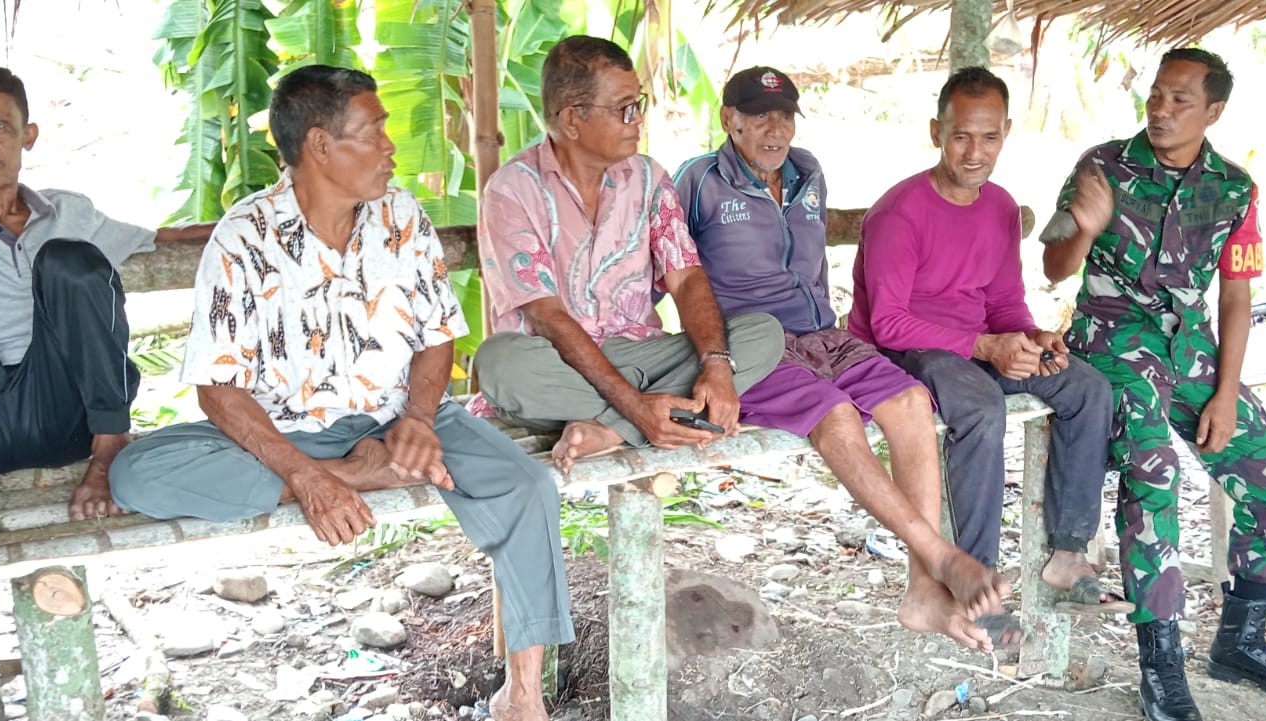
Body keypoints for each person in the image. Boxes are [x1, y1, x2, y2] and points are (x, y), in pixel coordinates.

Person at [106, 65, 572, 721]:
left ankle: (523, 697)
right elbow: (218, 390)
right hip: (286, 436)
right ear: (321, 145)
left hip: (402, 420)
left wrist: (418, 420)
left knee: (528, 486)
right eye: (374, 131)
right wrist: (313, 476)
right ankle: (354, 474)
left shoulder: (400, 215)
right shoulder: (244, 237)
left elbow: (436, 336)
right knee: (136, 474)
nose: (390, 146)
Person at [674, 66, 1012, 651]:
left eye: (784, 116)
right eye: (758, 116)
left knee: (910, 401)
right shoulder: (699, 181)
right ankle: (938, 556)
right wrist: (703, 362)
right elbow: (670, 270)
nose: (774, 129)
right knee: (835, 416)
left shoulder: (807, 171)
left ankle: (921, 592)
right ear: (729, 120)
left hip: (823, 336)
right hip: (752, 346)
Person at [1040, 48, 1266, 721]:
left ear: (1213, 111)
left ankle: (1240, 642)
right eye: (1157, 96)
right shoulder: (1101, 167)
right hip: (1112, 344)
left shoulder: (1234, 188)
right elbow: (1053, 266)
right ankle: (1161, 666)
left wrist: (1226, 391)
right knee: (1154, 473)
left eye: (1180, 101)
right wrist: (1086, 226)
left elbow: (1236, 296)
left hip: (1191, 349)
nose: (1162, 111)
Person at [849, 66, 1126, 616]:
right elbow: (888, 324)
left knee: (1087, 388)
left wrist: (1032, 337)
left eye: (989, 137)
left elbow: (1003, 302)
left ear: (1006, 134)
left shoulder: (1000, 207)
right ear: (936, 132)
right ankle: (974, 578)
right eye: (961, 136)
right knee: (979, 408)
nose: (975, 152)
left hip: (977, 344)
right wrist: (985, 348)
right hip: (905, 351)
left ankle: (1067, 553)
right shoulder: (899, 213)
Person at [471, 36, 784, 471]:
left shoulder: (649, 178)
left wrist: (716, 365)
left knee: (764, 333)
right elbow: (547, 317)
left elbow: (686, 277)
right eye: (624, 108)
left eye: (638, 104)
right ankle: (646, 415)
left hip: (641, 354)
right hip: (557, 363)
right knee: (501, 363)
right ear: (572, 119)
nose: (637, 120)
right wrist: (635, 405)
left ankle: (610, 429)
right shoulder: (512, 190)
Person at [0, 65, 215, 520]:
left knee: (69, 259)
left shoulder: (68, 212)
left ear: (28, 136)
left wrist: (277, 217)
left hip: (67, 416)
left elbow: (166, 237)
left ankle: (110, 448)